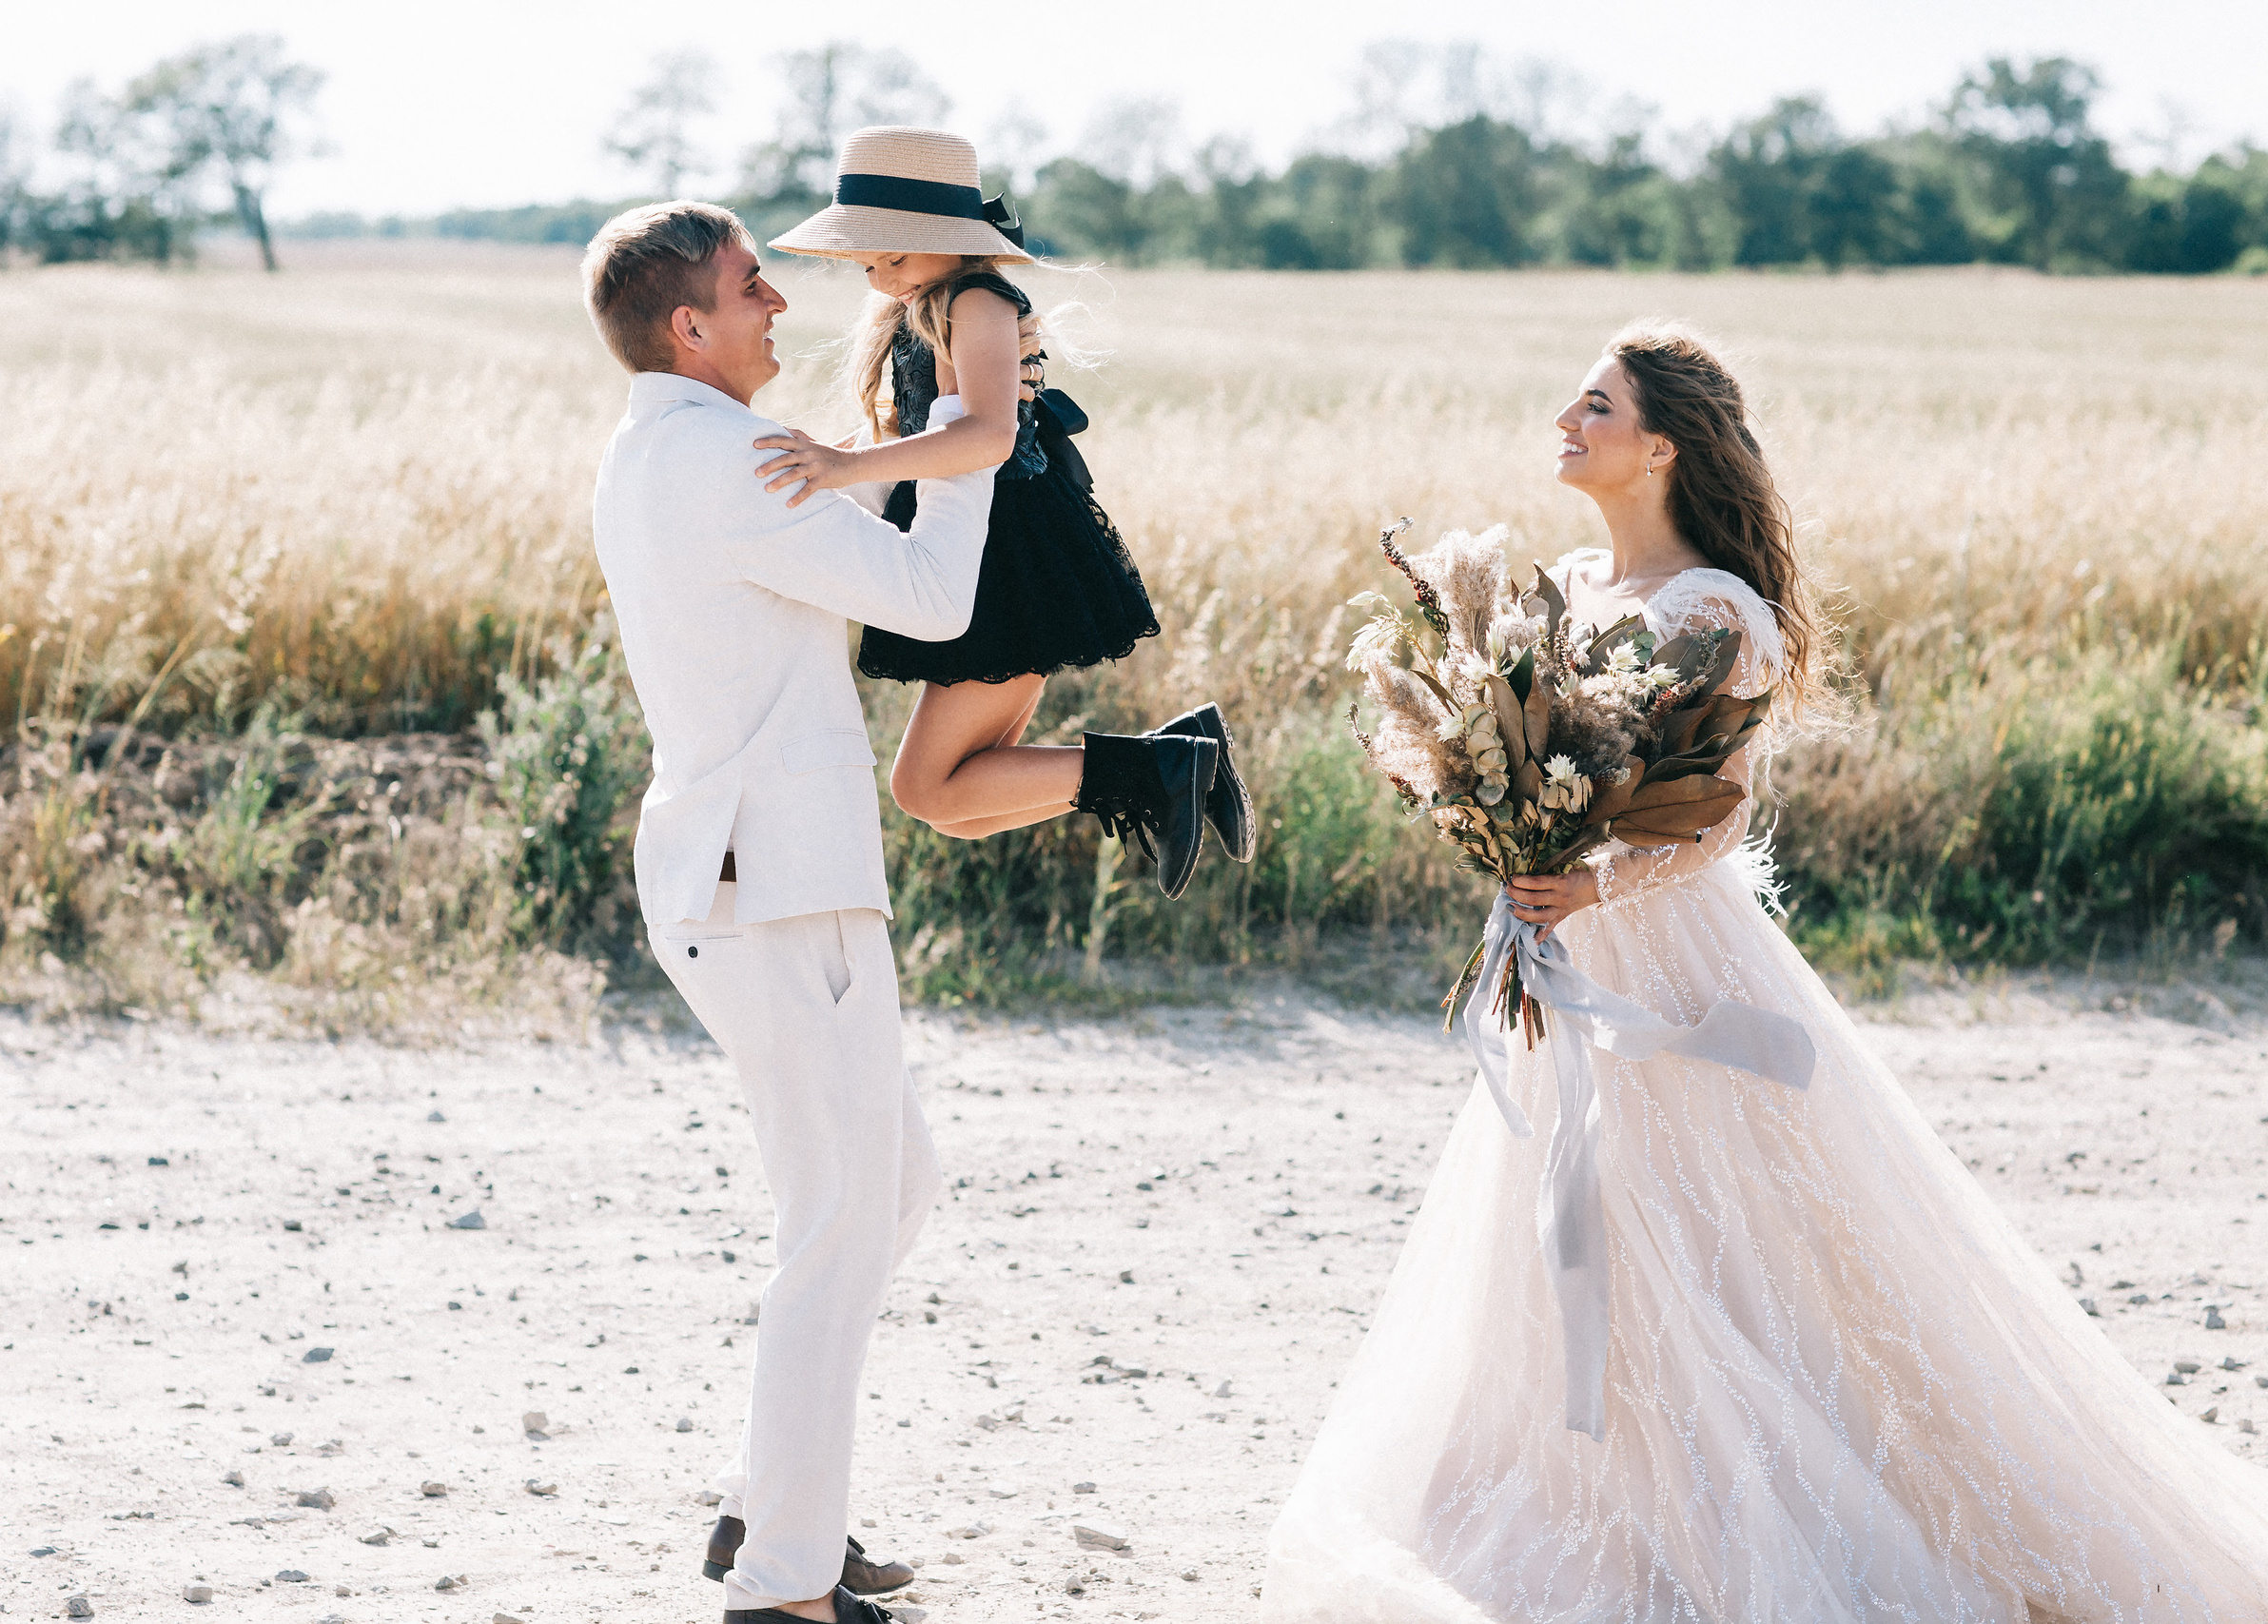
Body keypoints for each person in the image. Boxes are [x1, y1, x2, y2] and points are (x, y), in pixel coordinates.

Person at [1261, 325, 2268, 1621]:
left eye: (1595, 404)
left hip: (1667, 953)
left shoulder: (1712, 611)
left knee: (1728, 1229)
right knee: (1573, 1212)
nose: (1565, 419)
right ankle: (1593, 1495)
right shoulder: (1569, 584)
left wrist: (1592, 883)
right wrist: (1501, 829)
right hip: (1564, 943)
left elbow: (1720, 814)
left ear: (1661, 446)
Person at [583, 199, 977, 1624]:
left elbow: (856, 548)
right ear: (691, 326)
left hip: (749, 876)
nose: (780, 306)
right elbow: (930, 597)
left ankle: (769, 1503)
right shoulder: (728, 461)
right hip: (777, 882)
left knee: (890, 1190)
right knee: (839, 1217)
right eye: (755, 285)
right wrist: (973, 432)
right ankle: (782, 1586)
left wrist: (899, 446)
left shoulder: (662, 447)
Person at [751, 124, 1252, 899]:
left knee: (928, 788)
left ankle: (1166, 767)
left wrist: (847, 468)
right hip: (977, 548)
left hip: (1010, 557)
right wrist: (829, 455)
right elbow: (914, 431)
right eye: (867, 264)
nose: (880, 279)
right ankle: (1173, 758)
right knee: (959, 804)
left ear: (949, 239)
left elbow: (988, 434)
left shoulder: (977, 300)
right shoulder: (924, 303)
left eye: (894, 258)